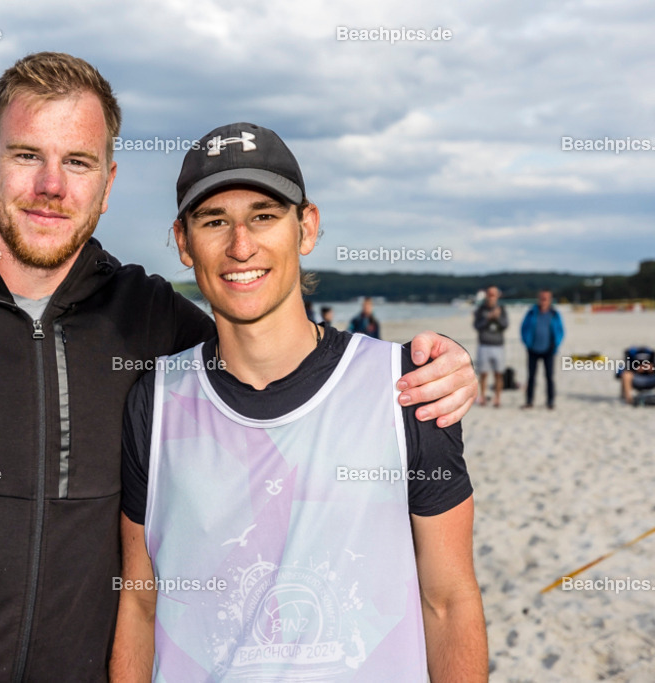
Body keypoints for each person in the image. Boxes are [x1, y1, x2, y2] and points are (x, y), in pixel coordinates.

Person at [0, 55, 478, 681]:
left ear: (108, 183)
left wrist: (437, 368)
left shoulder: (145, 319)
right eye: (27, 156)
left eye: (77, 161)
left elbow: (270, 343)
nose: (51, 185)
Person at [111, 123, 487, 682]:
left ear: (305, 227)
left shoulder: (404, 387)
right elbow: (141, 604)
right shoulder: (155, 399)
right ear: (184, 243)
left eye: (264, 215)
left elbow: (449, 600)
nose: (241, 245)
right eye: (215, 221)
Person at [520, 289, 564, 409]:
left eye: (546, 298)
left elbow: (560, 330)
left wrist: (556, 344)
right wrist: (527, 343)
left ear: (550, 299)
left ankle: (550, 401)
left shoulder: (554, 313)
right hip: (532, 349)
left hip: (549, 350)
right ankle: (529, 401)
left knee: (549, 376)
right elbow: (523, 328)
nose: (544, 300)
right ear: (538, 298)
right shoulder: (531, 313)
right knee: (531, 377)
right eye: (542, 298)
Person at [474, 286, 508, 406]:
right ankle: (482, 396)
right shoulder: (480, 309)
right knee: (483, 373)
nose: (491, 297)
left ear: (497, 296)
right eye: (489, 294)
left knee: (499, 373)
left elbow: (505, 325)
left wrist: (497, 317)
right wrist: (487, 318)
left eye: (494, 294)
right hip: (484, 345)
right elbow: (476, 326)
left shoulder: (502, 309)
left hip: (498, 345)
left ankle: (497, 398)